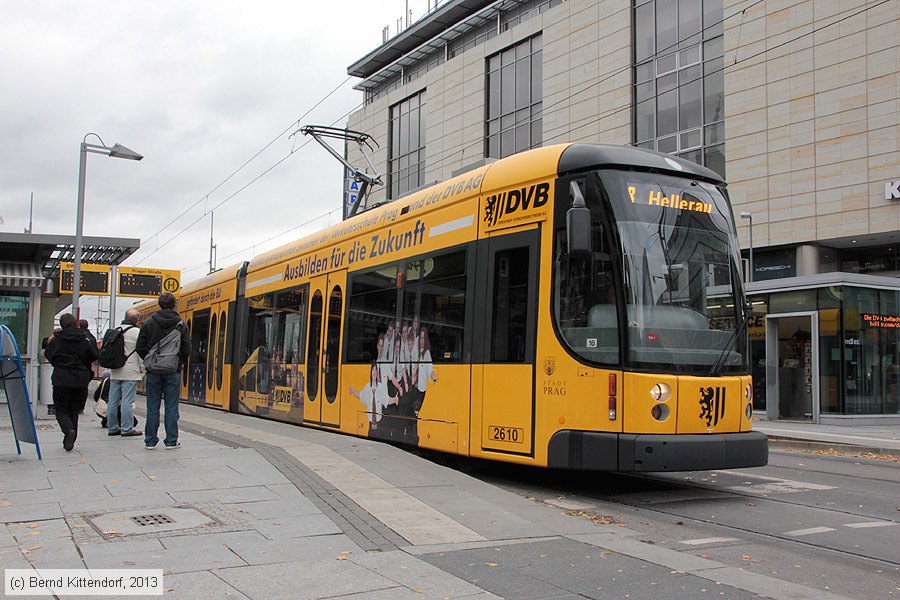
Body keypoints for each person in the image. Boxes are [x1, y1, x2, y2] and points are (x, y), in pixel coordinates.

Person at [136, 292, 190, 449]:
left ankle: (150, 441)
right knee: (172, 407)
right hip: (173, 371)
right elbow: (186, 348)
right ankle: (171, 440)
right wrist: (178, 362)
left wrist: (150, 360)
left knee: (152, 406)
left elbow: (140, 347)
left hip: (153, 371)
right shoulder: (181, 324)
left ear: (159, 304)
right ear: (174, 304)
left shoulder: (148, 323)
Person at [45, 313, 100, 451]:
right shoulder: (85, 339)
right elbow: (95, 355)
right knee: (74, 410)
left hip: (61, 379)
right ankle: (71, 439)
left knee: (61, 409)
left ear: (61, 325)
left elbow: (49, 355)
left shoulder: (57, 340)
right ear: (76, 324)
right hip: (81, 379)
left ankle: (68, 431)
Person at [107, 308, 144, 438]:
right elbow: (140, 353)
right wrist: (142, 369)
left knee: (112, 400)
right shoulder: (137, 332)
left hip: (115, 370)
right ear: (137, 319)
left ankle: (112, 427)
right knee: (127, 401)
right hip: (130, 371)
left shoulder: (115, 330)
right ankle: (126, 428)